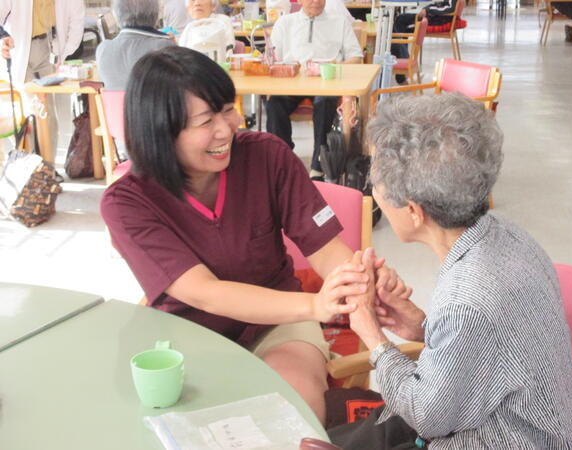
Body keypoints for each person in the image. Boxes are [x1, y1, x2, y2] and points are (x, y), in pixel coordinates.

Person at [100, 46, 400, 425]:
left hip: (280, 321)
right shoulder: (128, 202)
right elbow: (204, 292)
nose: (227, 128)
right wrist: (316, 306)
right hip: (188, 334)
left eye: (227, 108)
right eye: (206, 120)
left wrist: (361, 279)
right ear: (161, 131)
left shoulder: (267, 157)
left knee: (291, 413)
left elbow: (325, 250)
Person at [329, 93, 572, 449]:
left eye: (377, 186)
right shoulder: (507, 235)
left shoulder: (467, 298)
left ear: (414, 211)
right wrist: (422, 326)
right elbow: (491, 349)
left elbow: (428, 415)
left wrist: (374, 339)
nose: (374, 194)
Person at [267, 0, 363, 181]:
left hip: (326, 80)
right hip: (293, 79)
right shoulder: (285, 22)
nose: (316, 1)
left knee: (325, 101)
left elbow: (356, 56)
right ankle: (282, 157)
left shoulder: (339, 22)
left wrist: (334, 67)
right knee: (274, 103)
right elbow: (272, 58)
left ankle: (319, 164)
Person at [0, 0, 84, 163]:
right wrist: (2, 37)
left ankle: (48, 168)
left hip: (46, 50)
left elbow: (75, 19)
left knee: (49, 113)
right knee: (31, 111)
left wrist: (63, 53)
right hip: (20, 50)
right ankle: (33, 168)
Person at [96, 0, 175, 91]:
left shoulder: (103, 49)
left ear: (117, 14)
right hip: (151, 105)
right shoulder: (163, 46)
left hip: (113, 105)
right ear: (155, 14)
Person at [390, 0, 456, 83]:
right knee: (401, 25)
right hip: (435, 16)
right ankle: (404, 69)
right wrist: (427, 8)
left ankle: (404, 69)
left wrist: (428, 10)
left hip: (438, 19)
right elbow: (441, 5)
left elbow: (450, 8)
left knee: (399, 23)